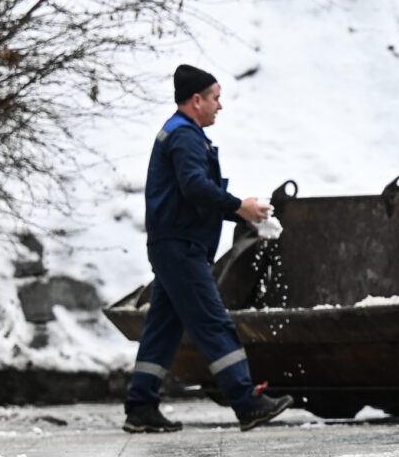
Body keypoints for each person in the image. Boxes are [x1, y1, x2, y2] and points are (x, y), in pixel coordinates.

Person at [124, 64, 293, 433]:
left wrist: (241, 217)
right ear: (196, 100)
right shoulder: (185, 136)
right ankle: (246, 401)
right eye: (216, 97)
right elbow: (195, 188)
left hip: (174, 244)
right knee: (213, 322)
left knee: (164, 328)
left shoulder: (178, 133)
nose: (221, 106)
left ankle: (141, 406)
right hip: (181, 248)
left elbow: (192, 196)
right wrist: (238, 207)